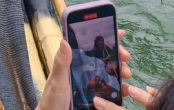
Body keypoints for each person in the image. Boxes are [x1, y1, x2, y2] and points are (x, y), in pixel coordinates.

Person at [35, 33, 172, 110]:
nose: (101, 44)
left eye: (102, 42)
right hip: (94, 77)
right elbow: (94, 60)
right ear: (96, 43)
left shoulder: (106, 49)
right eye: (99, 42)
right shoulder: (93, 52)